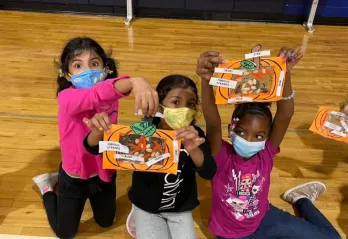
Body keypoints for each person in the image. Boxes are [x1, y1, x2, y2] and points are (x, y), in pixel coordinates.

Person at [197, 47, 341, 239]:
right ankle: (302, 200)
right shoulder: (220, 154)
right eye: (241, 132)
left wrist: (285, 73)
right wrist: (206, 81)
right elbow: (213, 122)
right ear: (232, 128)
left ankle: (301, 200)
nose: (248, 139)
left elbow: (285, 114)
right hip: (231, 234)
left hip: (266, 219)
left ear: (267, 136)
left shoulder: (266, 152)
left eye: (258, 136)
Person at [32, 37, 158, 239]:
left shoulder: (110, 95)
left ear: (105, 68)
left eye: (94, 63)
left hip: (104, 173)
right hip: (74, 176)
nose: (87, 70)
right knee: (65, 234)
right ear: (67, 74)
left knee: (106, 221)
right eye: (77, 65)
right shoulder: (66, 97)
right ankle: (47, 188)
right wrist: (135, 81)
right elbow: (94, 96)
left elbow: (104, 95)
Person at [83, 74, 217, 239]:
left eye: (191, 104)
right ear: (160, 107)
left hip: (180, 208)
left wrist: (193, 150)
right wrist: (98, 132)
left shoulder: (194, 135)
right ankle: (136, 214)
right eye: (175, 102)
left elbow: (209, 172)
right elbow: (95, 148)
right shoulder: (144, 131)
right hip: (147, 207)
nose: (185, 109)